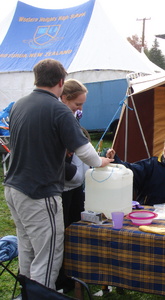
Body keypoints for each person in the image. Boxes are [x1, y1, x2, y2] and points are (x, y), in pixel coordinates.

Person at [4, 59, 113, 290]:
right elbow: (89, 156)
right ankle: (42, 295)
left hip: (13, 188)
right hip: (39, 194)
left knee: (27, 247)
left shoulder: (18, 105)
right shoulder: (59, 109)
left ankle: (27, 292)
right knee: (49, 254)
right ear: (61, 82)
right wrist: (102, 160)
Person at [60, 79, 90, 228]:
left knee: (77, 221)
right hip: (64, 184)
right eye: (77, 104)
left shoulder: (73, 117)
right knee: (64, 224)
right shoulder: (59, 117)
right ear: (64, 98)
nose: (80, 108)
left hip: (76, 184)